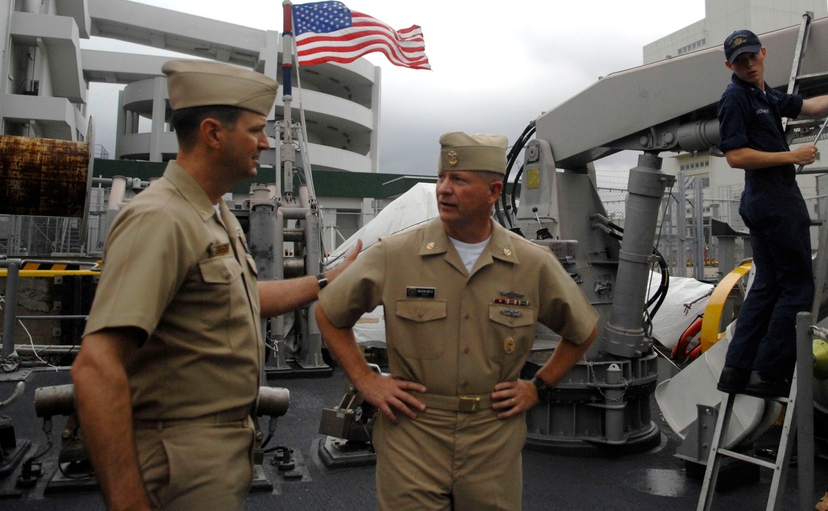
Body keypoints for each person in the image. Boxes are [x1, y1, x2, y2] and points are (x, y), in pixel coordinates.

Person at [70, 60, 360, 511]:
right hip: (179, 458)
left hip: (217, 451)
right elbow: (96, 366)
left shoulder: (212, 211)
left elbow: (243, 299)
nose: (266, 143)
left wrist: (327, 280)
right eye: (256, 130)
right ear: (212, 133)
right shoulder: (160, 218)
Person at [315, 131, 599, 511]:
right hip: (413, 432)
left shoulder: (532, 264)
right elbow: (329, 313)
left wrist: (538, 387)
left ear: (493, 192)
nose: (444, 189)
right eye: (441, 178)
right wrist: (365, 380)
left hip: (492, 438)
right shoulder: (395, 254)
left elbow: (583, 330)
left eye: (459, 180)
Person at [714, 30, 828, 398]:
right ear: (729, 66)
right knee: (798, 286)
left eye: (752, 56)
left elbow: (809, 106)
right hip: (775, 197)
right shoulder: (736, 98)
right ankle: (770, 372)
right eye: (740, 61)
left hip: (764, 198)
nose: (749, 64)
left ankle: (736, 370)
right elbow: (736, 156)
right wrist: (792, 156)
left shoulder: (764, 94)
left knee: (768, 284)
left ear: (763, 53)